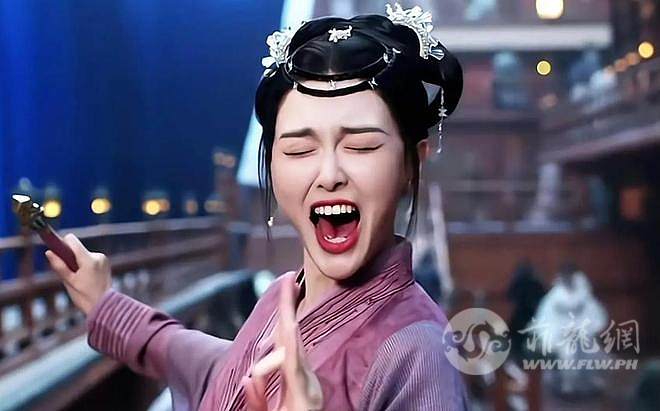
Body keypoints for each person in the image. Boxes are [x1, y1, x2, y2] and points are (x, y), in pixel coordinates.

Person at [46, 4, 468, 410]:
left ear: (412, 163)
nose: (329, 174)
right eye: (299, 149)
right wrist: (104, 303)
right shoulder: (282, 298)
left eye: (361, 146)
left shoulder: (418, 353)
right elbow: (220, 371)